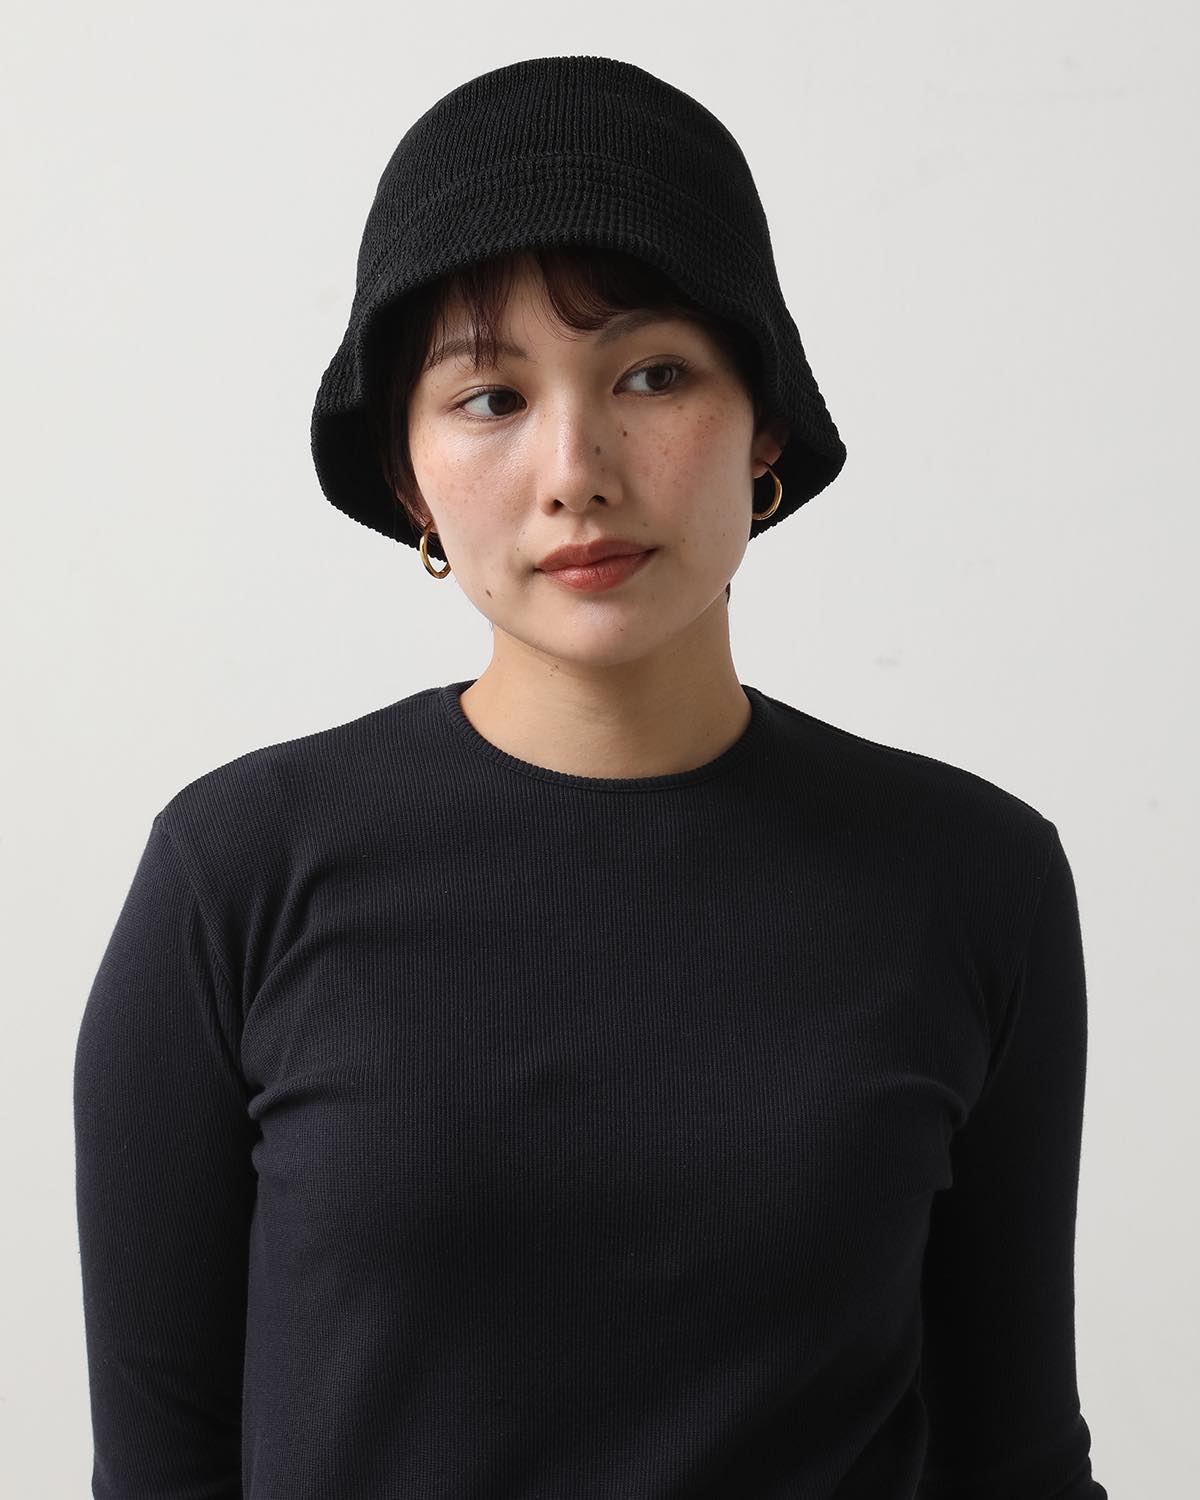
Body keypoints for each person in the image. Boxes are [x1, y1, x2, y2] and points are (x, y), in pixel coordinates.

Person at [72, 54, 1107, 1499]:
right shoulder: (236, 876)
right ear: (409, 478)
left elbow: (1015, 1461)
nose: (576, 469)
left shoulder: (973, 878)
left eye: (653, 375)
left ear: (766, 424)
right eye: (490, 396)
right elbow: (157, 1472)